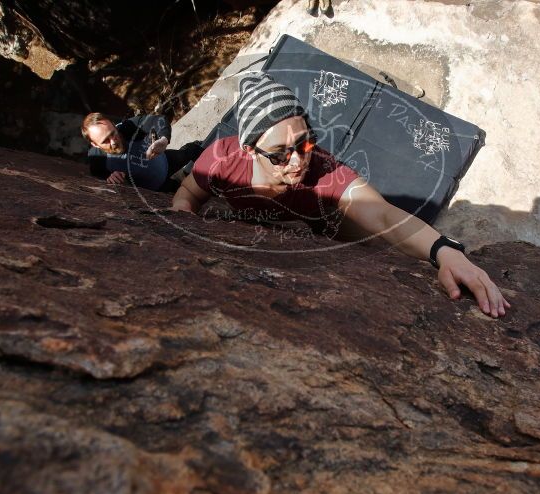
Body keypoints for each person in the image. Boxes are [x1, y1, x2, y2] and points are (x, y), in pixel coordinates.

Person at [172, 73, 510, 318]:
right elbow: (189, 193)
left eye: (305, 143)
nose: (297, 162)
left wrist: (445, 252)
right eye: (279, 154)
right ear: (249, 150)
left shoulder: (322, 169)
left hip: (322, 234)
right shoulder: (220, 160)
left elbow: (380, 214)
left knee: (378, 244)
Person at [81, 112, 204, 193]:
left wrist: (163, 140)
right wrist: (110, 178)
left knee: (192, 151)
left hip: (165, 160)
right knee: (189, 191)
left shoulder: (128, 127)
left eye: (113, 133)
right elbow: (99, 176)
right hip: (156, 187)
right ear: (94, 144)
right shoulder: (97, 159)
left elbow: (159, 120)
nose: (113, 142)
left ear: (114, 125)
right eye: (105, 141)